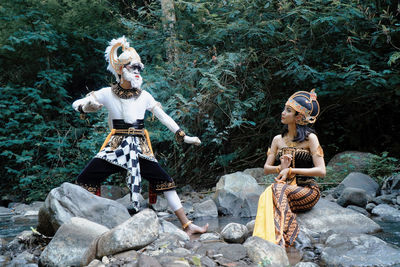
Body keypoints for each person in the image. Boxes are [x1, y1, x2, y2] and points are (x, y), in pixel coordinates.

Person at [72, 36, 208, 235]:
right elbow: (77, 104)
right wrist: (87, 106)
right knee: (85, 179)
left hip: (139, 147)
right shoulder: (107, 93)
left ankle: (188, 225)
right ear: (120, 70)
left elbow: (164, 117)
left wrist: (183, 135)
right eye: (132, 68)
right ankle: (84, 226)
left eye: (138, 68)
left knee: (166, 181)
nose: (136, 72)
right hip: (116, 146)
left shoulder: (144, 96)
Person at [253, 89, 326, 247]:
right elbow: (266, 168)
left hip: (307, 190)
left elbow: (321, 171)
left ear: (298, 117)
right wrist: (280, 168)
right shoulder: (277, 140)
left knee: (277, 189)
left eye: (288, 110)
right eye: (284, 109)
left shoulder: (310, 138)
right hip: (285, 191)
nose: (283, 113)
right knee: (272, 191)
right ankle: (276, 239)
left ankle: (283, 237)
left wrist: (291, 171)